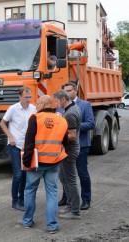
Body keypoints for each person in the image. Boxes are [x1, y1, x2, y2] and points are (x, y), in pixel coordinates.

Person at [22, 95, 68, 234]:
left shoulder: (35, 118)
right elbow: (64, 141)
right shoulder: (62, 120)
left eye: (37, 104)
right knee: (52, 193)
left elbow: (29, 142)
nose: (35, 106)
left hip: (36, 163)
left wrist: (25, 162)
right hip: (54, 162)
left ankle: (27, 221)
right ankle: (52, 225)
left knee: (30, 190)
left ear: (42, 104)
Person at [58, 82, 95, 210]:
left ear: (76, 91)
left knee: (82, 173)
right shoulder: (60, 107)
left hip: (81, 145)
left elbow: (90, 124)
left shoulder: (85, 105)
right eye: (65, 91)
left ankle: (85, 199)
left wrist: (74, 128)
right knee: (65, 174)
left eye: (69, 90)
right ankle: (66, 197)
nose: (66, 93)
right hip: (64, 146)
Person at [0, 87, 37, 211]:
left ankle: (22, 199)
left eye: (30, 97)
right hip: (15, 145)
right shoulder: (13, 109)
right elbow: (2, 123)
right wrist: (10, 136)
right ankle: (15, 201)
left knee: (25, 174)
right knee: (18, 175)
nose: (28, 99)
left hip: (28, 146)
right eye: (26, 97)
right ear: (20, 97)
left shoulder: (33, 108)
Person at [53, 90, 82, 219]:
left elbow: (72, 136)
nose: (56, 103)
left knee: (70, 181)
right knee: (64, 178)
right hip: (69, 150)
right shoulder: (73, 108)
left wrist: (56, 133)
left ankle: (75, 211)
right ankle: (71, 207)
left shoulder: (70, 113)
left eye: (57, 101)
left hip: (69, 151)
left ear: (63, 99)